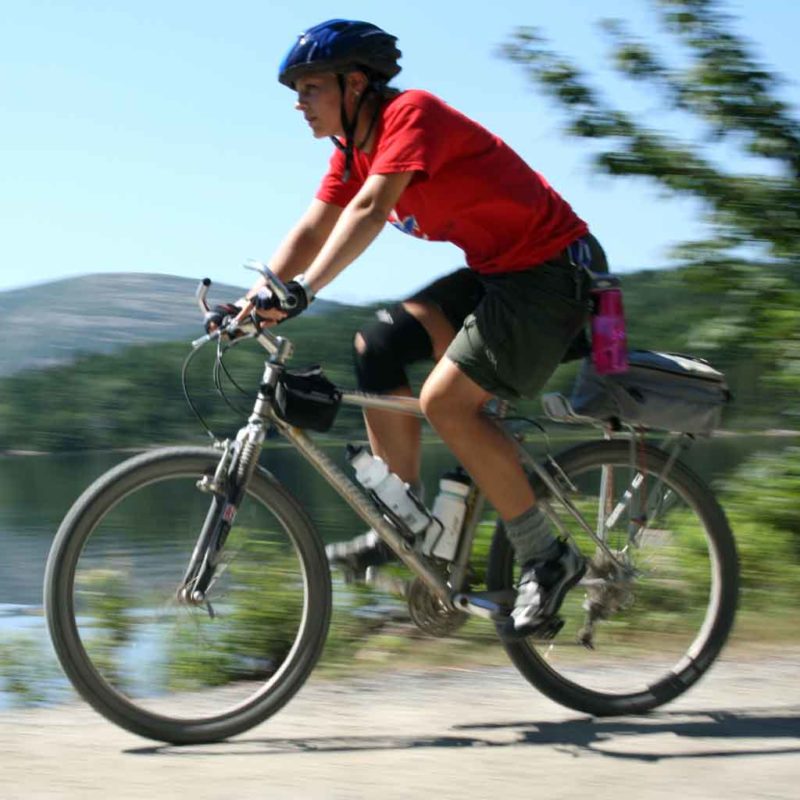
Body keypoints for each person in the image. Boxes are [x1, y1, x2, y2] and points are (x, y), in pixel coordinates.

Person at [227, 18, 608, 639]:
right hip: (496, 275)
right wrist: (257, 295)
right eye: (294, 92)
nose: (299, 104)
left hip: (550, 276)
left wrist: (305, 291)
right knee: (376, 345)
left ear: (355, 85)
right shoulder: (354, 151)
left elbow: (371, 210)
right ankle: (401, 524)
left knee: (446, 405)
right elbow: (313, 228)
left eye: (310, 88)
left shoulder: (413, 115)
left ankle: (547, 554)